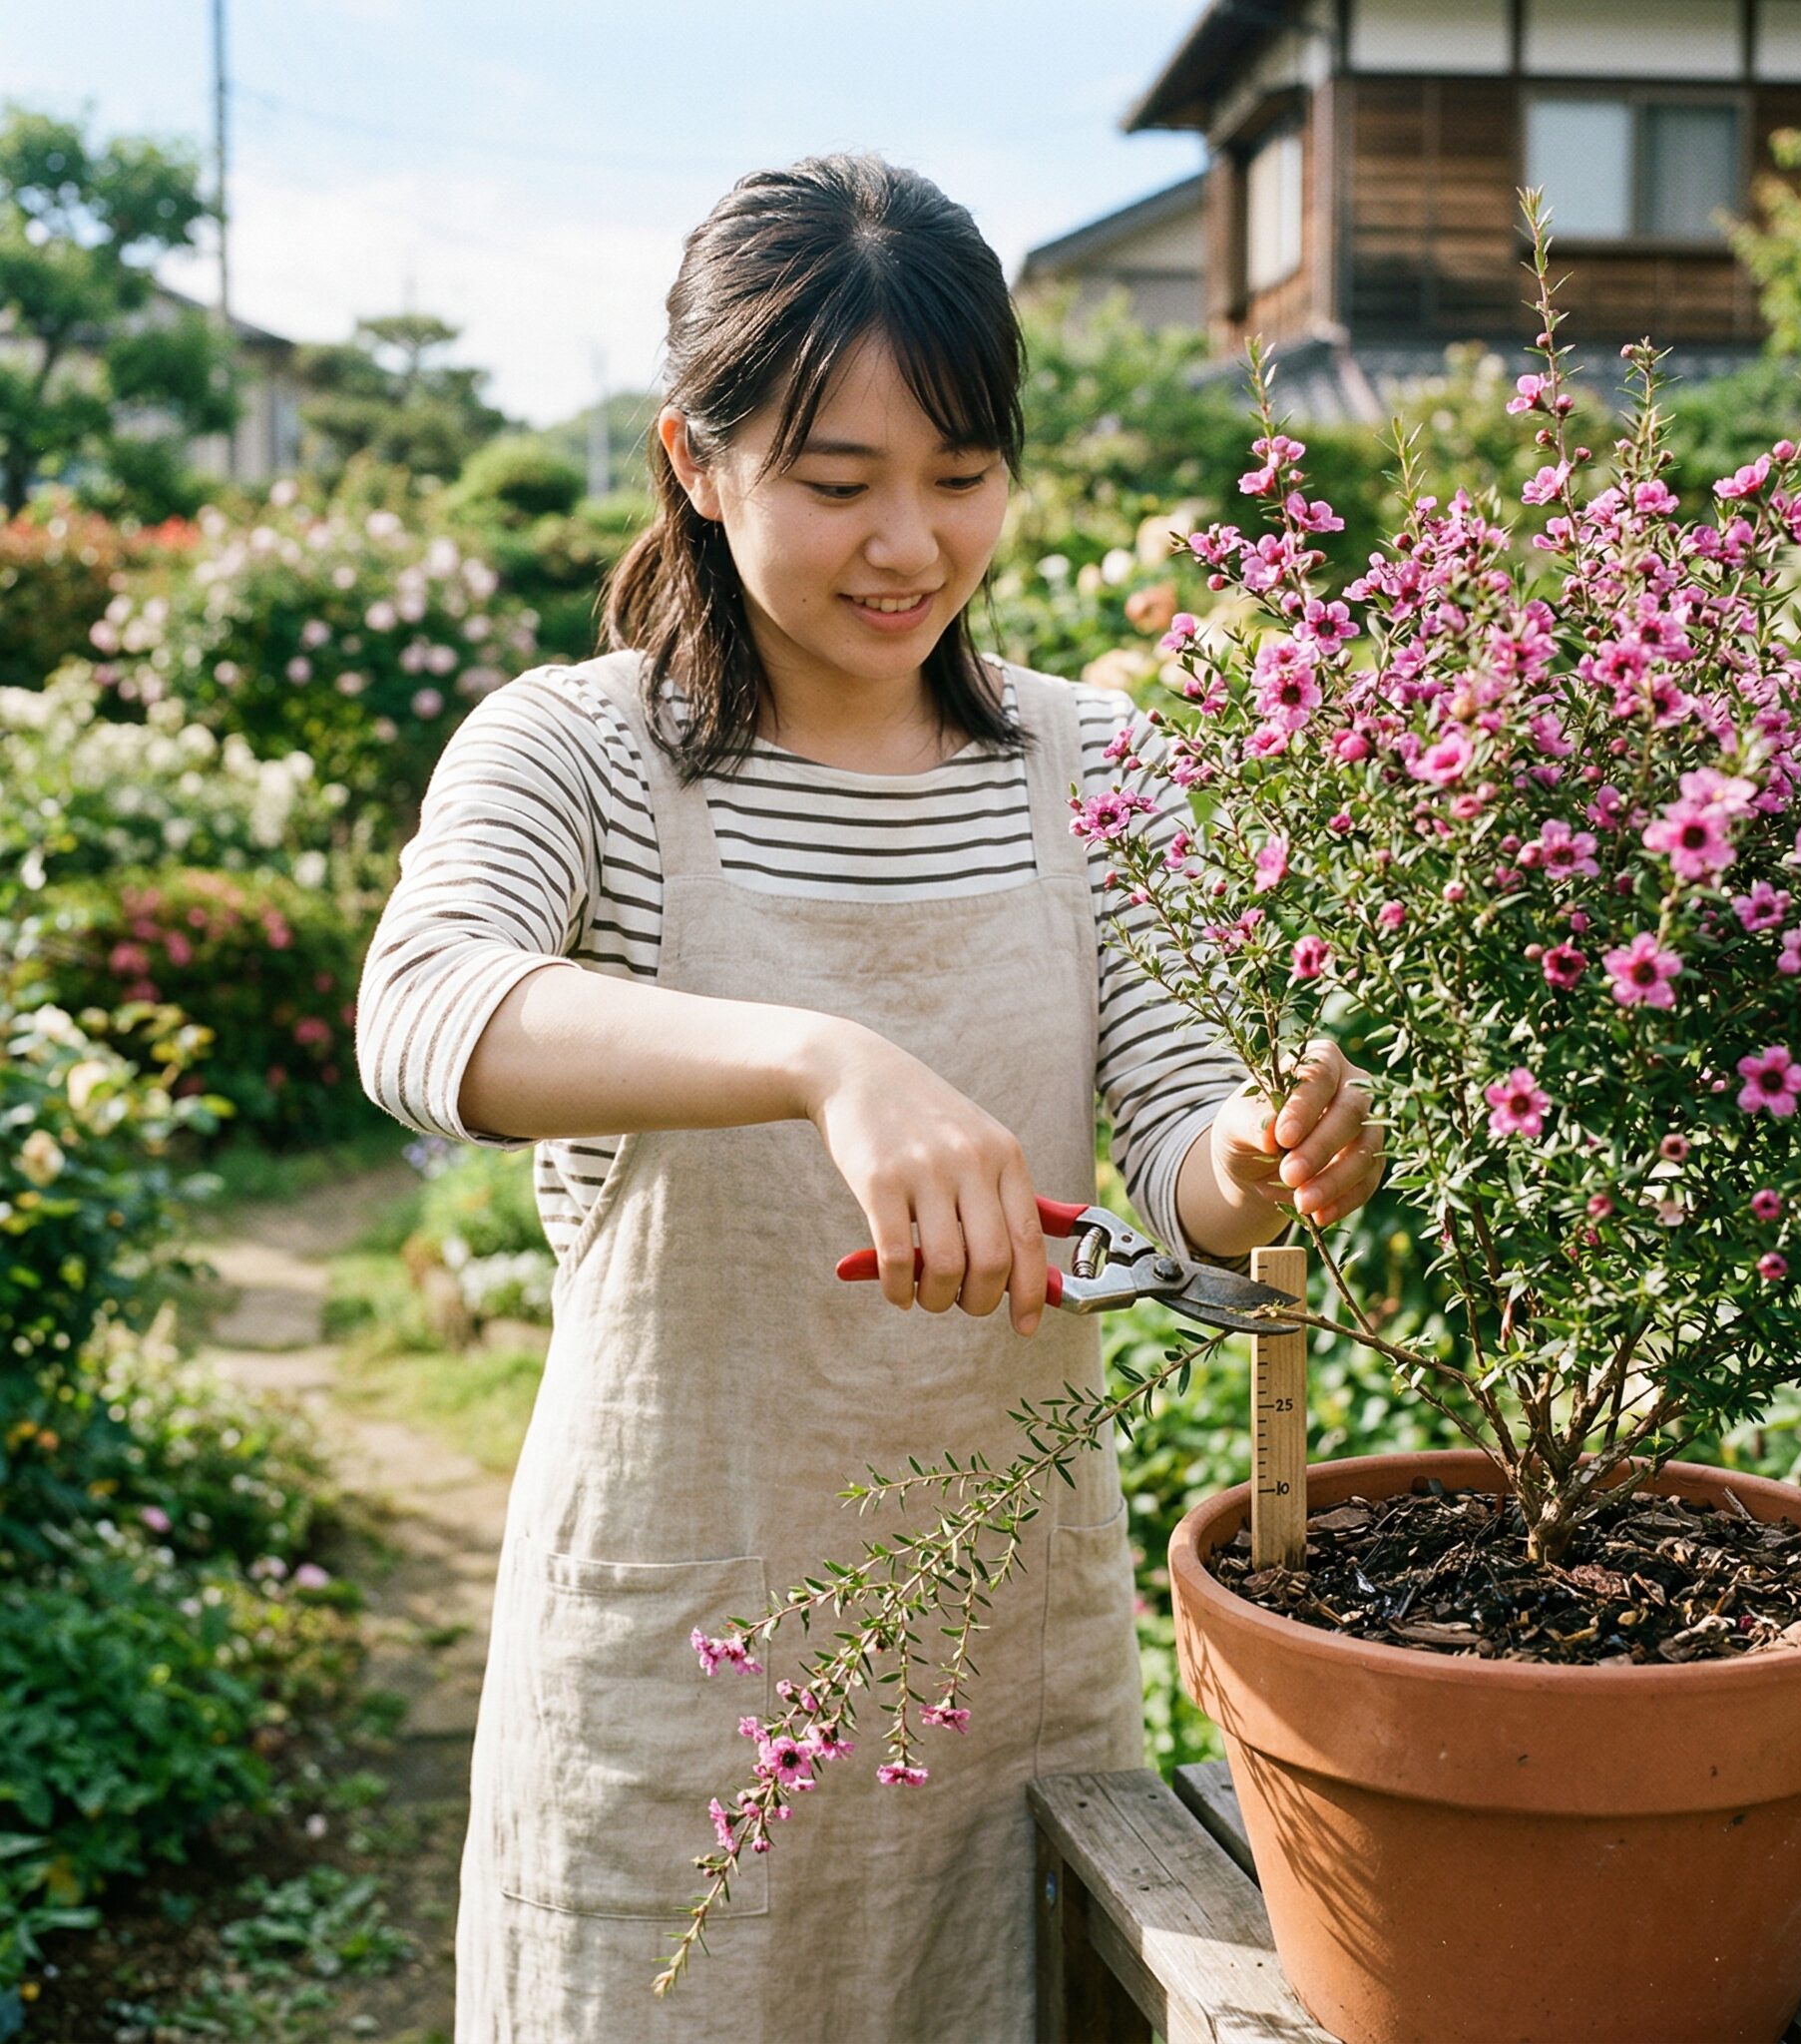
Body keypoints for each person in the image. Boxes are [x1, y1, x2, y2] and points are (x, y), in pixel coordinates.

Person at [355, 151, 1385, 2044]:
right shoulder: (583, 754)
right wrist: (825, 1058)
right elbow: (427, 1014)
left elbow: (1174, 1157)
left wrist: (1260, 1156)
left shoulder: (1096, 766)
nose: (909, 541)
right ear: (697, 457)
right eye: (838, 484)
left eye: (962, 475)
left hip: (1008, 1656)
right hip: (674, 1667)